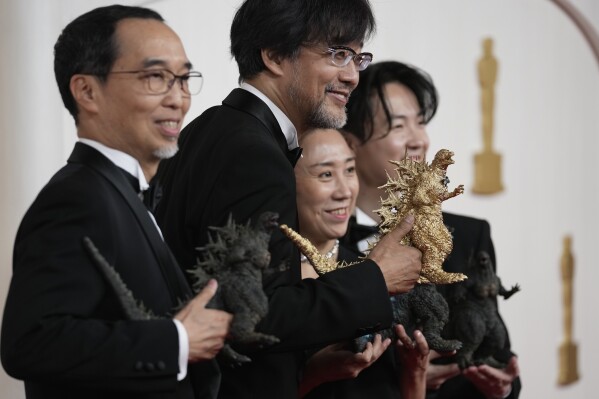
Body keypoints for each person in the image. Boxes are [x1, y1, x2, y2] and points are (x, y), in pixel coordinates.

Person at [154, 1, 423, 397]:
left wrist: (306, 370)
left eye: (358, 57)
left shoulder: (209, 128)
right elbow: (258, 311)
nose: (351, 76)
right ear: (275, 55)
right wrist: (376, 278)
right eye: (337, 54)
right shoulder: (253, 152)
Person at [0, 5, 232, 399]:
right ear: (87, 91)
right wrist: (175, 341)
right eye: (156, 77)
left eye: (183, 79)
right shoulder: (78, 197)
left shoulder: (121, 190)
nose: (178, 98)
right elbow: (30, 341)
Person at [341, 60, 522, 399]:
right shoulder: (327, 246)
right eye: (398, 126)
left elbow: (497, 355)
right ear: (350, 143)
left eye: (421, 123)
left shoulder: (468, 237)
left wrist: (503, 386)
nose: (419, 140)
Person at [293, 127, 430, 399]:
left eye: (350, 170)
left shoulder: (376, 275)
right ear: (286, 182)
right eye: (326, 174)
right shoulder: (271, 282)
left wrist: (415, 372)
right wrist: (314, 374)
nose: (344, 191)